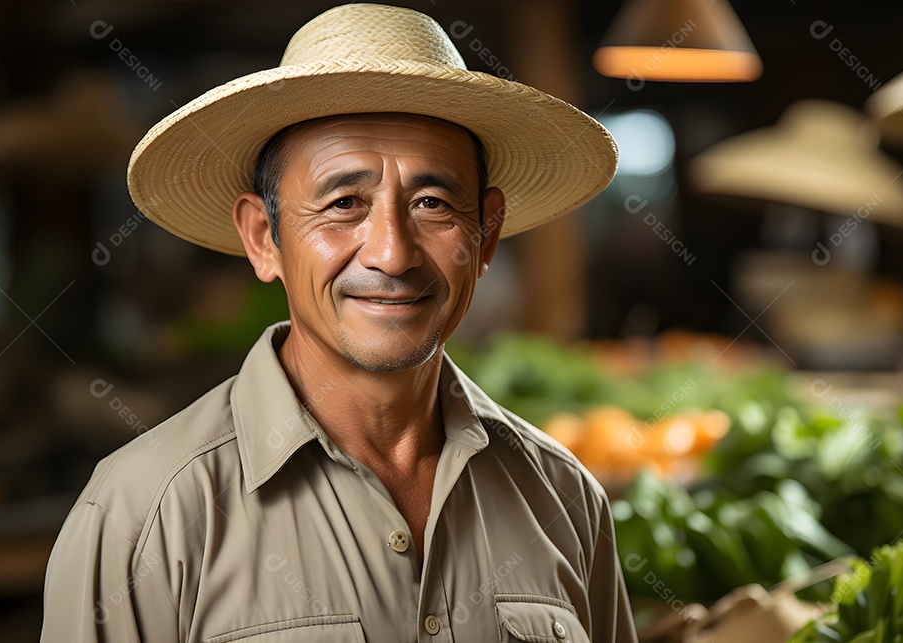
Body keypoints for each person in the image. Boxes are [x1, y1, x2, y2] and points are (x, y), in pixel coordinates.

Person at [41, 3, 636, 642]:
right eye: (344, 203)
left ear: (486, 235)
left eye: (432, 204)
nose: (392, 252)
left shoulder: (563, 497)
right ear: (264, 238)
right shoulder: (146, 512)